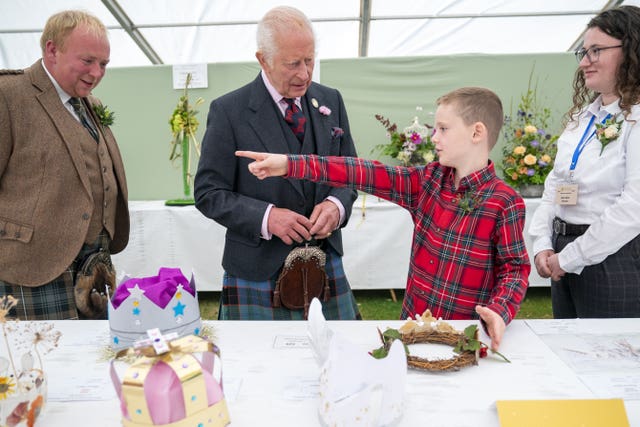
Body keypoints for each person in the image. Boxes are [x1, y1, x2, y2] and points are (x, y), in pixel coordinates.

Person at [236, 86, 530, 350]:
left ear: (476, 133)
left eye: (443, 128)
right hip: (411, 332)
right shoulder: (426, 182)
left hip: (464, 339)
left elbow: (514, 269)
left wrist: (500, 309)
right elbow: (360, 171)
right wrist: (290, 164)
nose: (434, 136)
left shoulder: (504, 202)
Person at [194, 6, 360, 320]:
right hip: (257, 270)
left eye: (310, 60)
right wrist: (267, 218)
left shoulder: (331, 100)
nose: (305, 73)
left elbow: (350, 174)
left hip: (325, 264)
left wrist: (336, 205)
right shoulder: (229, 111)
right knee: (254, 367)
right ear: (263, 59)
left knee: (337, 362)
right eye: (293, 63)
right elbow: (208, 193)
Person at [0, 10, 130, 320]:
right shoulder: (8, 96)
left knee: (92, 359)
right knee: (42, 364)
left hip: (94, 266)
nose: (97, 73)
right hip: (31, 267)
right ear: (52, 50)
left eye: (104, 64)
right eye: (87, 61)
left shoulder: (91, 103)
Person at [529, 5, 640, 319]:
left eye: (596, 51)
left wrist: (572, 256)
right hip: (564, 254)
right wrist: (542, 243)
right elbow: (556, 185)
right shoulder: (582, 118)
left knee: (610, 362)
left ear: (632, 51)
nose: (584, 62)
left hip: (614, 257)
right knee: (568, 355)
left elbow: (634, 208)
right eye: (583, 51)